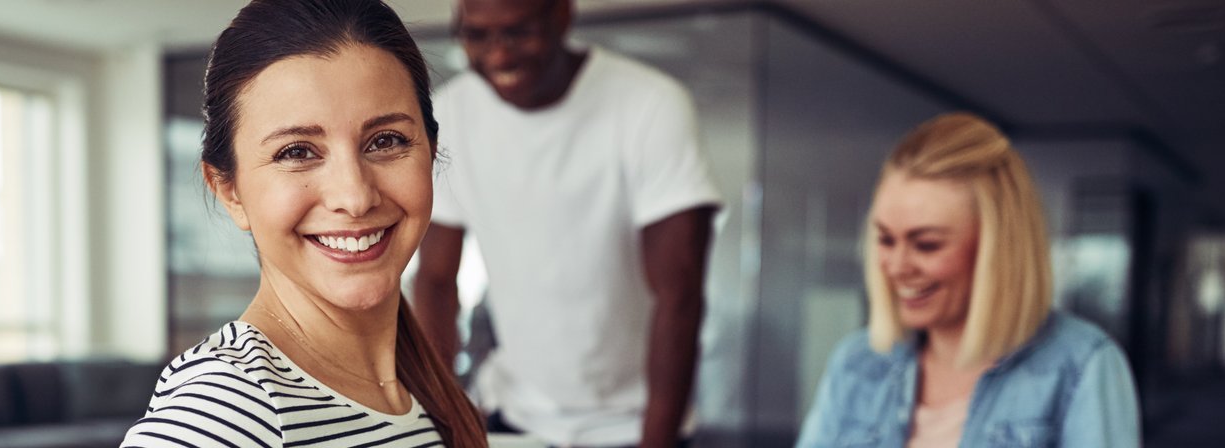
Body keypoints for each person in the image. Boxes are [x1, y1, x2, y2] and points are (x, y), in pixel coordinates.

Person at [118, 1, 487, 447]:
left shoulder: (421, 390)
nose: (354, 197)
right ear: (228, 189)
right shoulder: (228, 408)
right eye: (296, 152)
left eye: (385, 141)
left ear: (430, 152)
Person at [410, 0, 721, 446]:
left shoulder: (650, 104)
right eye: (476, 35)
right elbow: (437, 280)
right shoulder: (452, 113)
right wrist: (446, 413)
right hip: (513, 415)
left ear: (561, 17)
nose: (497, 55)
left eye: (517, 32)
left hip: (636, 427)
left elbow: (680, 295)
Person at [796, 113, 1141, 447]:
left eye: (926, 245)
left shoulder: (1080, 365)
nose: (897, 266)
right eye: (886, 240)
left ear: (997, 251)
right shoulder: (857, 363)